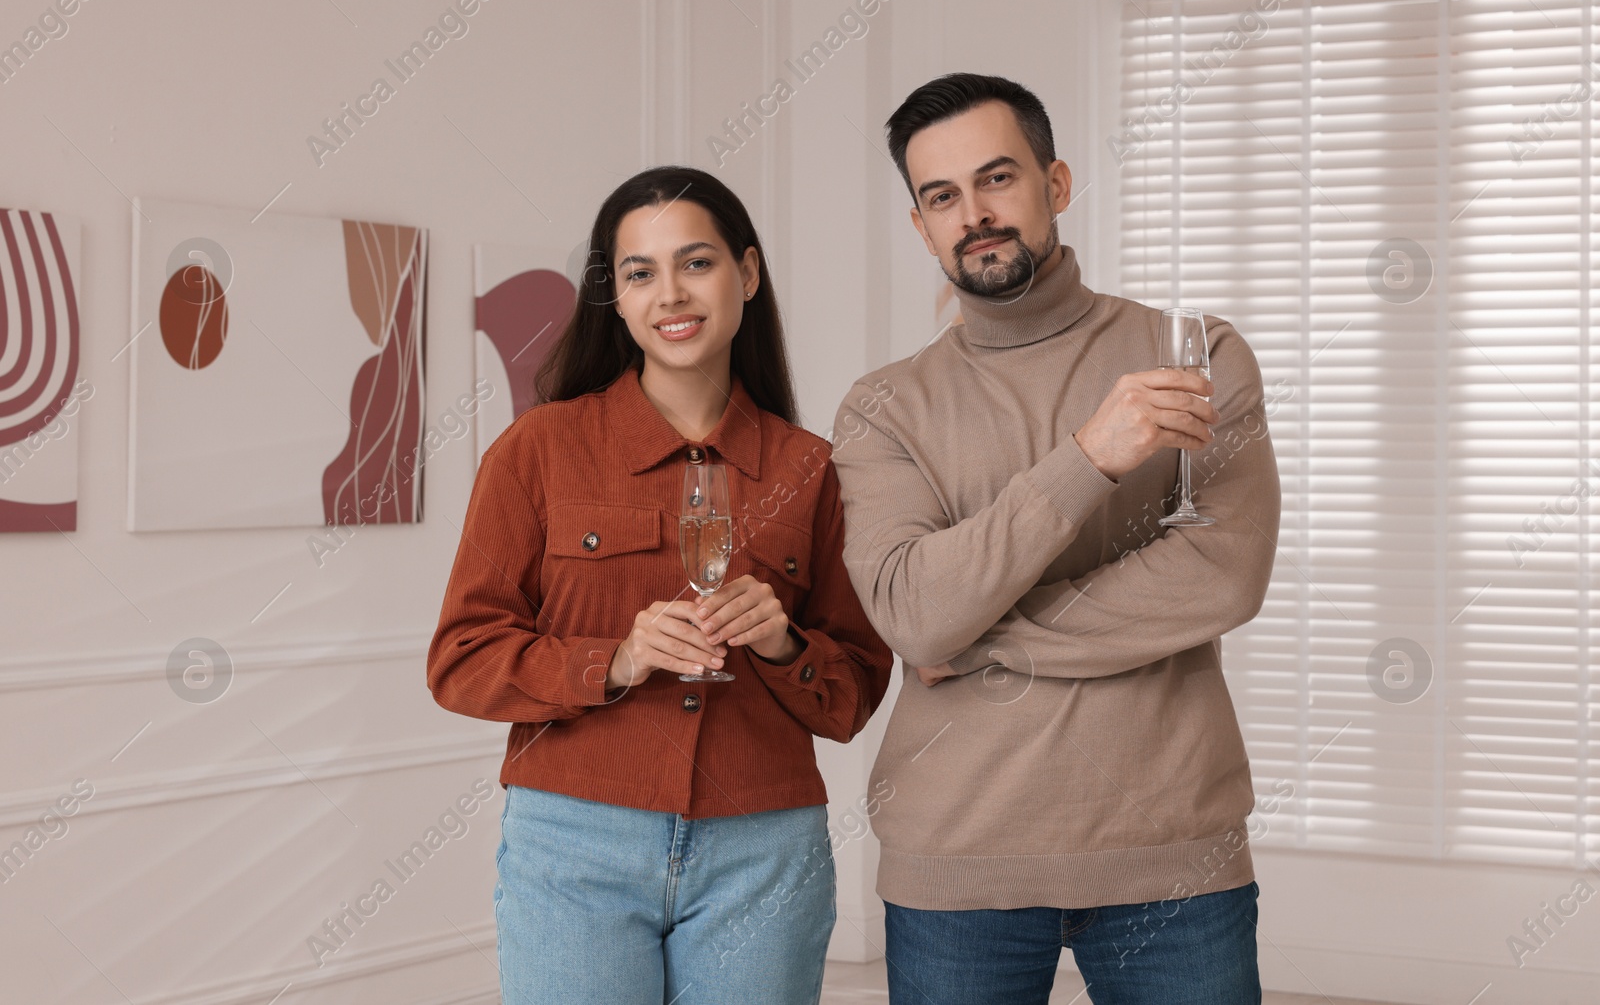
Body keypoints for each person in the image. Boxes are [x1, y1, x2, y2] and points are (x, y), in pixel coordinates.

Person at [829, 73, 1281, 1004]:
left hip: (1172, 853)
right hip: (958, 854)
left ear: (1057, 183)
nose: (974, 214)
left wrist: (979, 635)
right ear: (921, 226)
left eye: (998, 179)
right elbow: (914, 611)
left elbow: (1223, 574)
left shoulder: (1194, 356)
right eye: (942, 196)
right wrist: (1089, 456)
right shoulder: (883, 407)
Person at [427, 165, 894, 1005]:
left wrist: (784, 643)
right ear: (616, 296)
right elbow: (461, 659)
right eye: (639, 273)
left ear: (746, 274)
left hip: (765, 852)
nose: (670, 294)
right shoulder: (537, 451)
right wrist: (614, 659)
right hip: (575, 844)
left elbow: (852, 695)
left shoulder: (809, 468)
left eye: (697, 263)